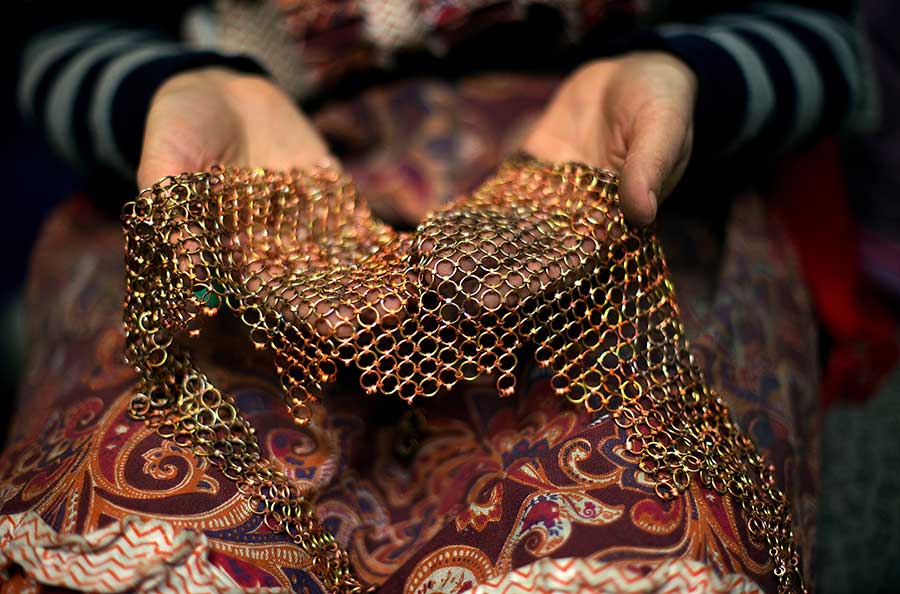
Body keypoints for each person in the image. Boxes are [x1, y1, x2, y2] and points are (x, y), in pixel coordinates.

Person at [1, 1, 873, 593]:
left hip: (608, 193)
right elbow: (62, 38)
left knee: (637, 508)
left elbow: (828, 40)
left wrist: (688, 82)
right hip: (244, 193)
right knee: (148, 497)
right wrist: (167, 92)